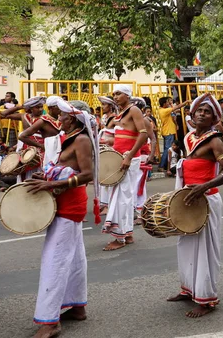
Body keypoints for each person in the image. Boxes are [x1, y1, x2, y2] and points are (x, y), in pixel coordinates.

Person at [24, 98, 99, 338]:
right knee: (75, 257)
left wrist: (52, 182)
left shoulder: (82, 140)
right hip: (65, 202)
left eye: (62, 117)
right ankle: (77, 307)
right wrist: (44, 177)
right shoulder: (68, 139)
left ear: (74, 118)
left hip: (70, 204)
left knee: (54, 261)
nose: (58, 121)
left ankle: (50, 322)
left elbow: (88, 174)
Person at [166, 93, 223, 318]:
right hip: (188, 200)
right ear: (192, 114)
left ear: (214, 117)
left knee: (205, 250)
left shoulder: (215, 140)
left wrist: (204, 186)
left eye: (207, 112)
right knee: (185, 245)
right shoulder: (189, 138)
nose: (202, 114)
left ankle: (206, 299)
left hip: (207, 200)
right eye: (199, 111)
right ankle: (188, 288)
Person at [102, 84, 149, 251]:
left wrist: (129, 156)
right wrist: (109, 142)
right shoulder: (120, 114)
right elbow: (123, 136)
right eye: (114, 94)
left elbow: (143, 134)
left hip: (128, 159)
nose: (115, 96)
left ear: (127, 95)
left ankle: (120, 237)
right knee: (124, 196)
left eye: (119, 93)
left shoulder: (134, 110)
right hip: (119, 157)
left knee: (122, 198)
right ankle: (127, 233)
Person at [131, 97, 156, 225]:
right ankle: (133, 213)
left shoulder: (145, 121)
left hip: (142, 156)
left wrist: (151, 156)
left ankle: (141, 214)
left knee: (139, 186)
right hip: (132, 156)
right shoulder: (129, 119)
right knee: (132, 186)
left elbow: (153, 139)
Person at [158, 96, 190, 171]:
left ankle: (164, 165)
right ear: (164, 103)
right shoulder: (164, 111)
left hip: (168, 131)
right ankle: (161, 166)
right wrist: (186, 102)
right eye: (167, 102)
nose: (168, 103)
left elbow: (175, 110)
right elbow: (177, 107)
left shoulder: (163, 110)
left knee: (168, 148)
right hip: (168, 131)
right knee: (168, 149)